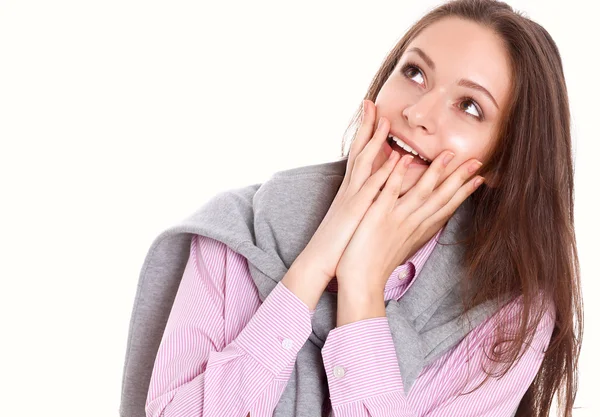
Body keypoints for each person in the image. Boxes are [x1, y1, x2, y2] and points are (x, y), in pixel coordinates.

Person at [140, 0, 583, 416]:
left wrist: (364, 283)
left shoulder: (509, 310)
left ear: (504, 161)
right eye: (414, 73)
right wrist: (314, 264)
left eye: (469, 106)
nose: (419, 112)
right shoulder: (241, 231)